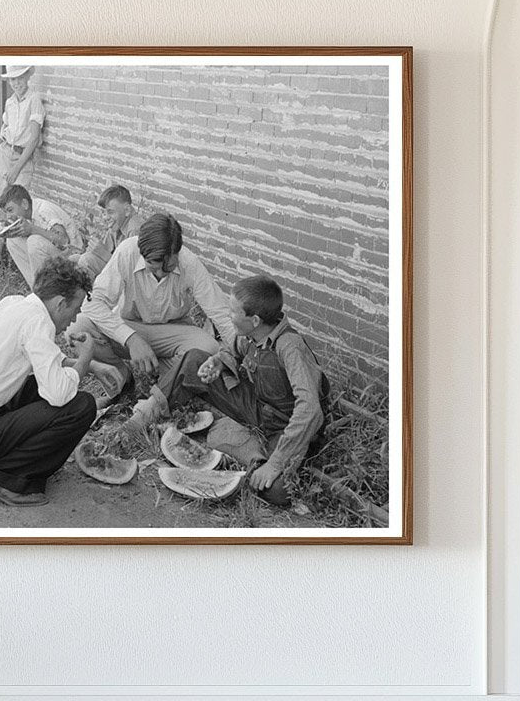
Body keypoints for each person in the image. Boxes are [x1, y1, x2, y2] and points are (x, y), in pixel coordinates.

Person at [130, 274, 331, 507]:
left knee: (278, 490)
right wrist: (217, 362)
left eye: (234, 311)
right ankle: (142, 417)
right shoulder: (251, 335)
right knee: (194, 359)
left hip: (285, 425)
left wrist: (276, 464)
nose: (229, 315)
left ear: (254, 320)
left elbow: (310, 410)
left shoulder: (290, 347)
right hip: (257, 407)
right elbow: (232, 350)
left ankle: (252, 456)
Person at [0, 257, 97, 507]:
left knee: (38, 385)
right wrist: (85, 360)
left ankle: (8, 466)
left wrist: (94, 366)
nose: (74, 319)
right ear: (60, 303)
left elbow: (44, 358)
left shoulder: (14, 303)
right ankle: (4, 478)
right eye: (75, 310)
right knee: (80, 406)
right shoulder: (38, 322)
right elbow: (58, 394)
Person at [69, 212, 236, 403]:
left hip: (172, 332)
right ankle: (122, 379)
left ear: (177, 252)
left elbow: (221, 314)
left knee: (209, 349)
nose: (161, 273)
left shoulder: (189, 263)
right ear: (142, 252)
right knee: (78, 328)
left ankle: (162, 376)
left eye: (168, 267)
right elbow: (93, 304)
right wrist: (131, 339)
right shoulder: (127, 251)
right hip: (130, 326)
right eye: (152, 265)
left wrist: (243, 356)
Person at [0, 64, 45, 268]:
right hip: (5, 153)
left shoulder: (34, 100)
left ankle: (20, 259)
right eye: (13, 79)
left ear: (27, 77)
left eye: (20, 78)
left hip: (22, 158)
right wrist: (3, 135)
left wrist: (16, 168)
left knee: (19, 207)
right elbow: (7, 123)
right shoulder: (10, 102)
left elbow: (34, 139)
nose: (16, 83)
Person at [0, 184, 80, 285]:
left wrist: (32, 229)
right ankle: (36, 287)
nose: (8, 216)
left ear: (24, 204)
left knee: (34, 242)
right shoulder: (29, 213)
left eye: (10, 210)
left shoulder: (43, 210)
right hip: (56, 255)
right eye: (6, 212)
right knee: (13, 240)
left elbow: (64, 240)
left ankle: (47, 288)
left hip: (72, 257)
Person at [75, 184, 142, 278]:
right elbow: (105, 251)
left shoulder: (135, 230)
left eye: (110, 212)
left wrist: (101, 252)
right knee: (74, 259)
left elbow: (129, 271)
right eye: (104, 213)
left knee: (86, 260)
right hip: (116, 269)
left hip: (129, 278)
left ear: (127, 210)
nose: (105, 217)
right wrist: (94, 249)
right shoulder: (118, 223)